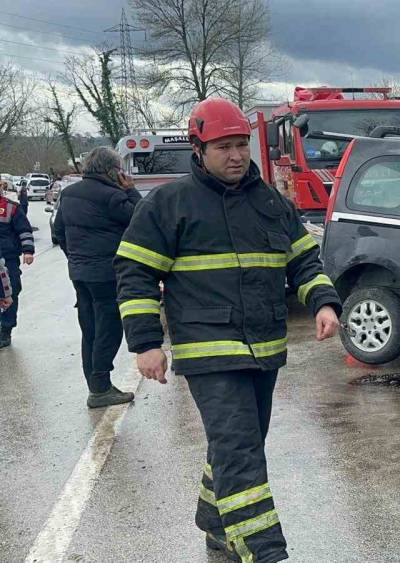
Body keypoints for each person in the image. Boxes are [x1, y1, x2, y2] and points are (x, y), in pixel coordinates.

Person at [115, 97, 341, 563]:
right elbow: (135, 273)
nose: (236, 156)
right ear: (198, 149)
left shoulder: (270, 203)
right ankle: (263, 551)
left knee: (241, 444)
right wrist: (146, 343)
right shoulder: (169, 204)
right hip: (208, 352)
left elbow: (304, 260)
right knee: (240, 449)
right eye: (224, 147)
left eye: (241, 145)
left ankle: (215, 523)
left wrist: (322, 302)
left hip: (265, 348)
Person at [53, 147, 140, 408]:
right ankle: (101, 387)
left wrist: (75, 258)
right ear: (112, 171)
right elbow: (140, 219)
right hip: (107, 273)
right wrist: (130, 190)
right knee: (109, 329)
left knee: (89, 329)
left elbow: (59, 232)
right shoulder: (113, 195)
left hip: (80, 273)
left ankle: (96, 385)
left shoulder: (69, 194)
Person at [0, 192, 33, 349]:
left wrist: (28, 251)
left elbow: (24, 230)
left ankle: (6, 330)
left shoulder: (10, 207)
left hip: (8, 259)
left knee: (10, 291)